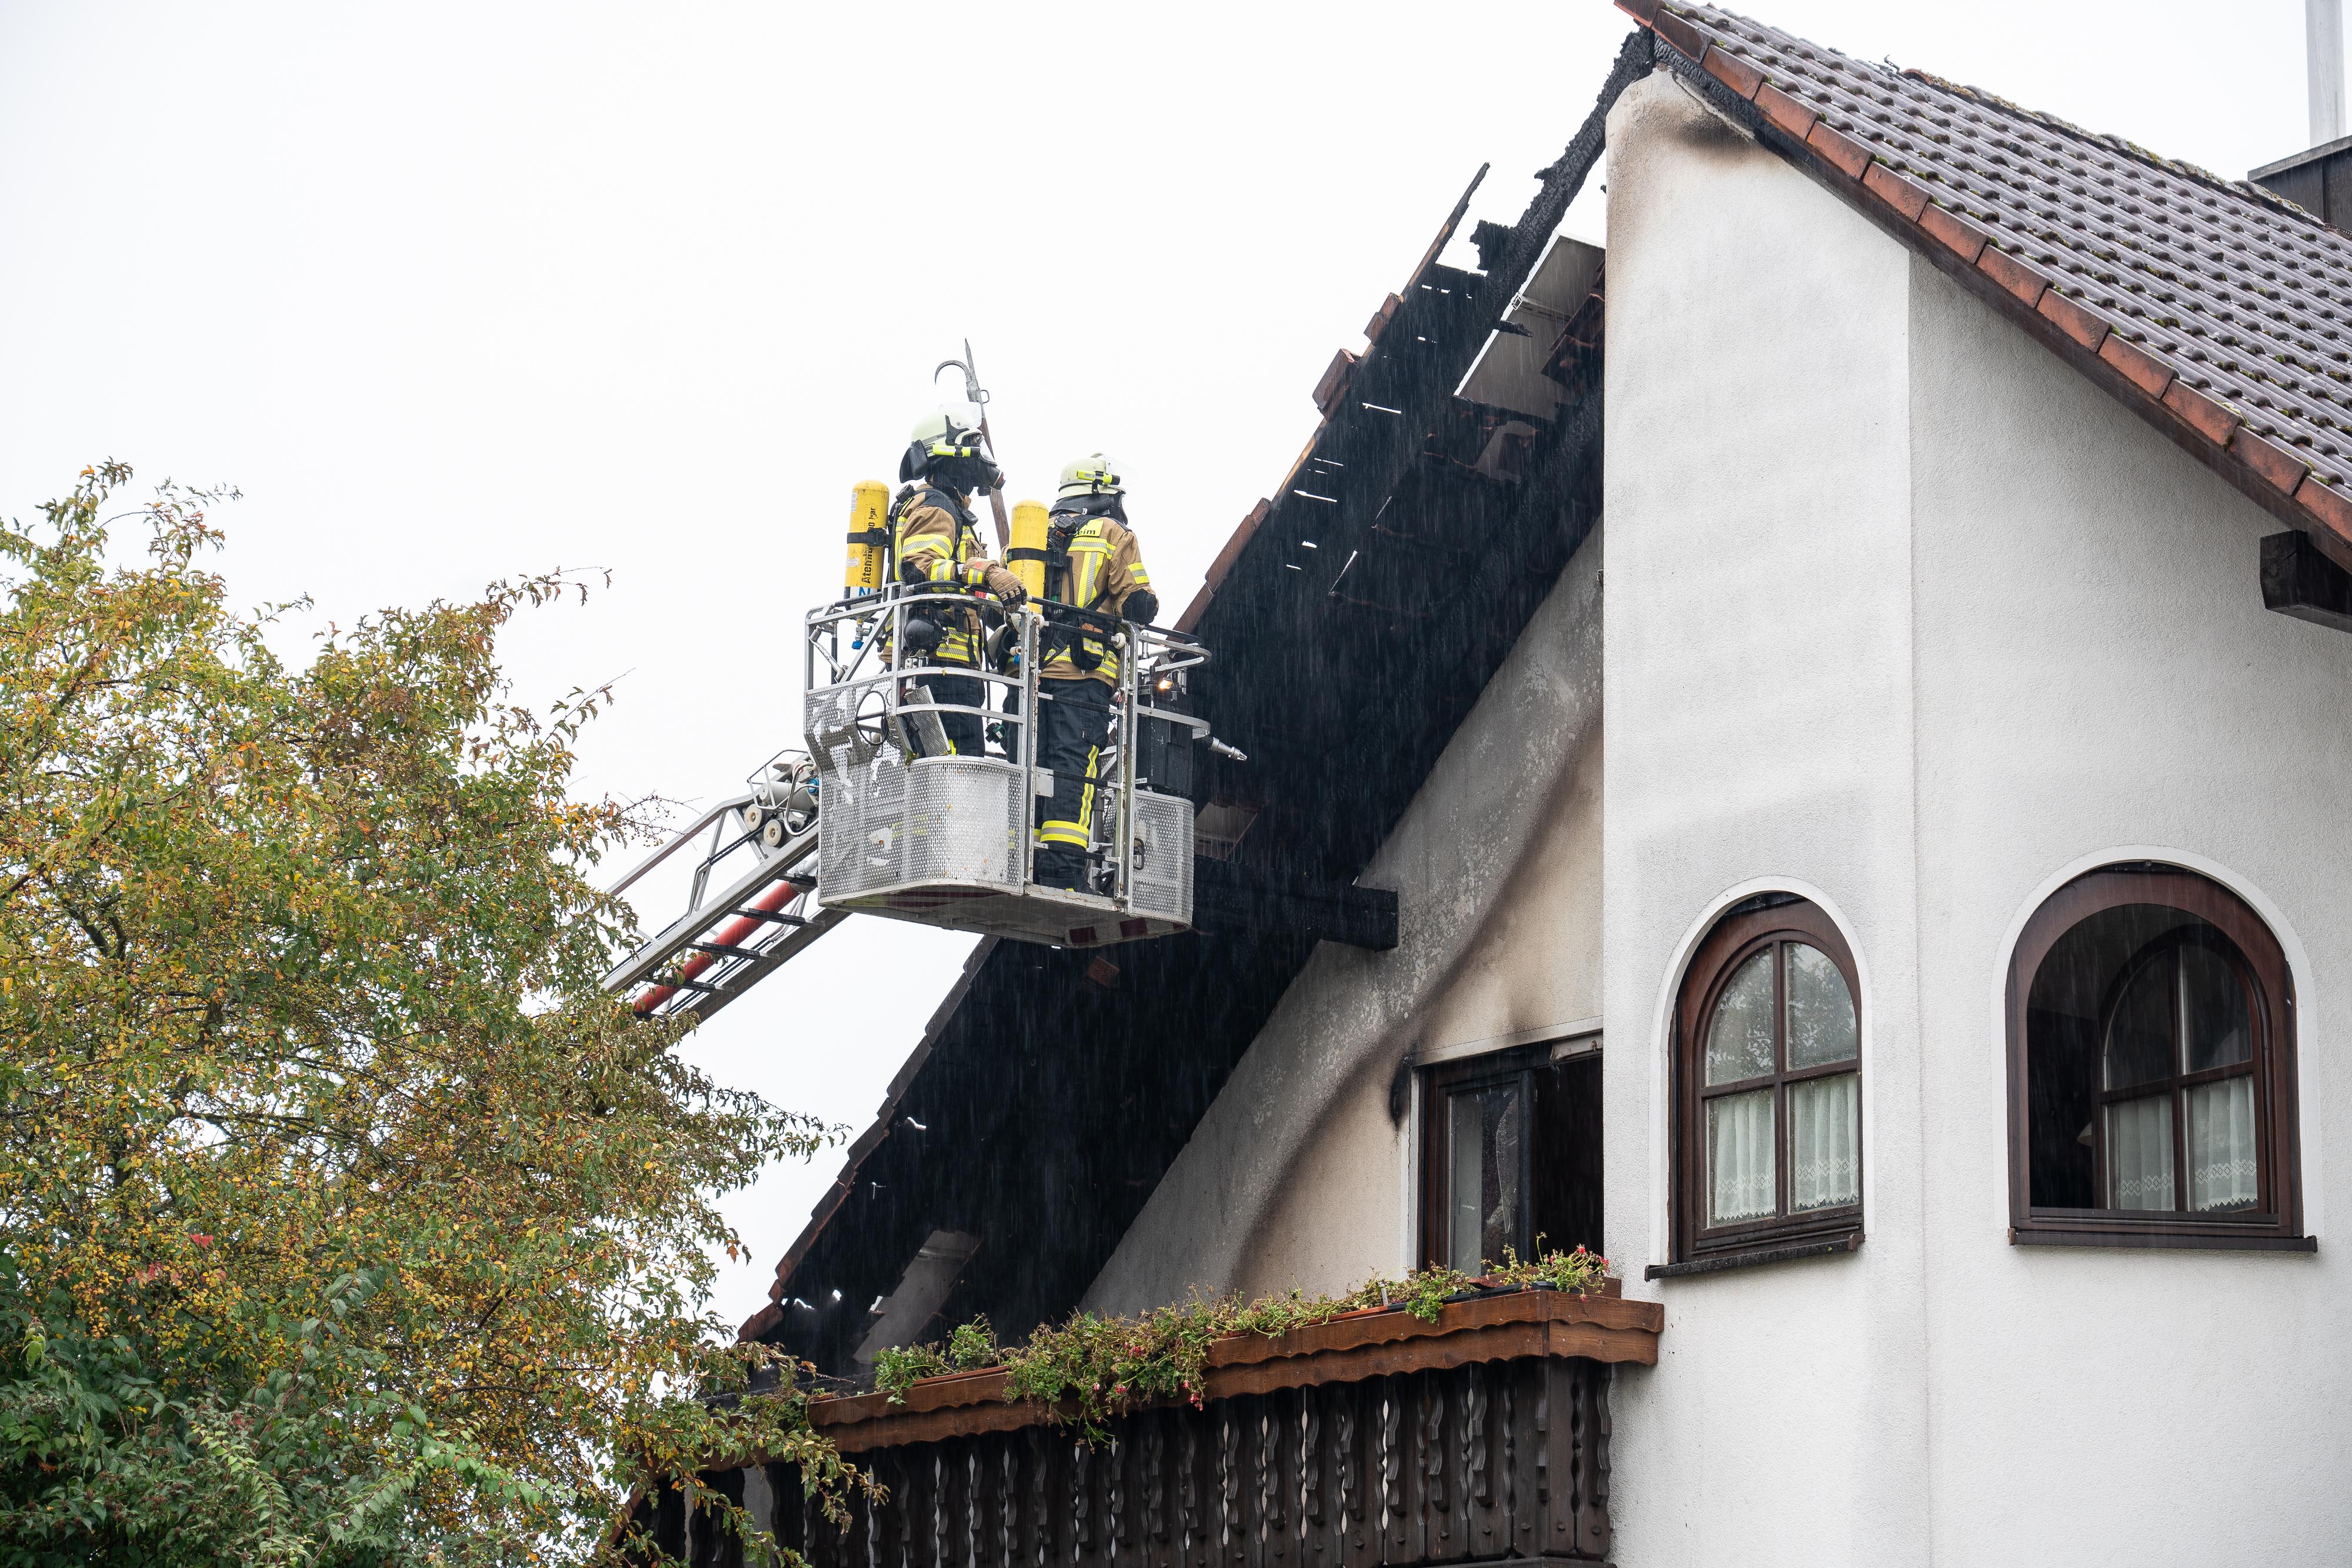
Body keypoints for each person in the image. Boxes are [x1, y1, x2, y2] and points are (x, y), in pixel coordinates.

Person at [1031, 453, 1158, 891]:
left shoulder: (1032, 534)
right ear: (1105, 493)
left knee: (1032, 768)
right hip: (1082, 679)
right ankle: (1064, 875)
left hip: (1027, 677)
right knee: (1072, 772)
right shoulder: (1111, 533)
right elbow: (1138, 603)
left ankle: (1028, 863)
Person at [890, 407, 1025, 756]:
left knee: (960, 778)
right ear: (950, 455)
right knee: (956, 780)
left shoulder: (951, 510)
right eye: (972, 447)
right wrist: (986, 571)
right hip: (938, 667)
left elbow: (962, 587)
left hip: (955, 670)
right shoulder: (936, 506)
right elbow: (920, 568)